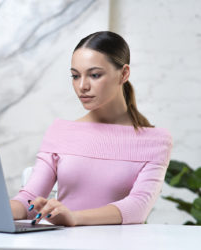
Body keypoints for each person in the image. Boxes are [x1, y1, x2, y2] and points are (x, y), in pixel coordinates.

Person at [9, 31, 173, 227]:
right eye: (75, 76)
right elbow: (29, 197)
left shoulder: (155, 141)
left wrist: (74, 218)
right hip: (61, 244)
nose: (82, 86)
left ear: (124, 74)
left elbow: (138, 207)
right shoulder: (60, 131)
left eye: (95, 75)